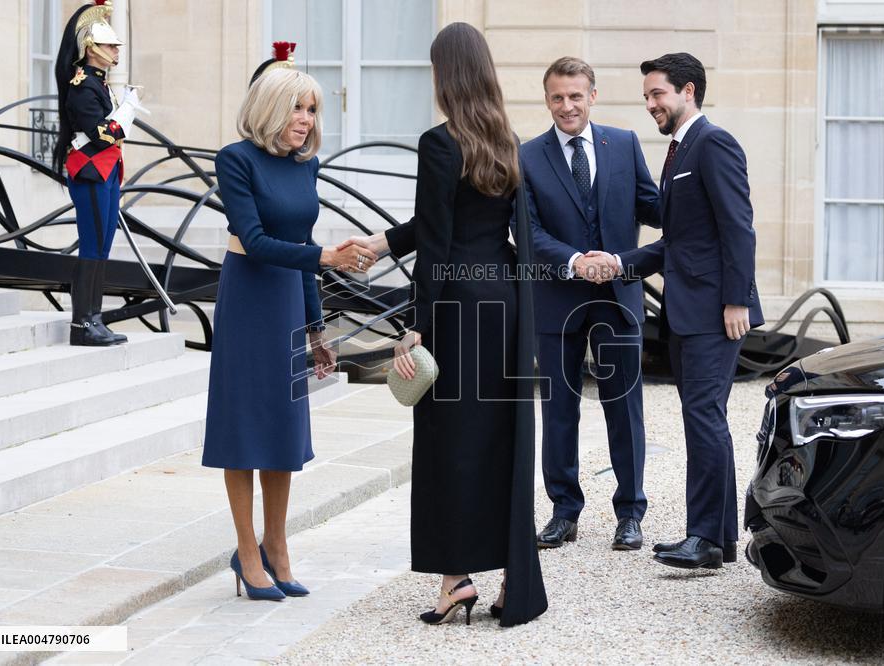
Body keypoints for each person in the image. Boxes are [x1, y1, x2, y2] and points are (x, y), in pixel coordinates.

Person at [350, 22, 548, 627]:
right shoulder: (506, 141)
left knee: (448, 442)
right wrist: (384, 242)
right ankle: (517, 581)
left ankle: (454, 579)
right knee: (504, 437)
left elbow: (437, 245)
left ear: (446, 75)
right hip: (506, 304)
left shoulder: (440, 143)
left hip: (458, 306)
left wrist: (414, 325)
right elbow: (470, 224)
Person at [202, 65, 376, 601]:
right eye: (298, 108)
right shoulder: (236, 160)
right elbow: (252, 240)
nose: (306, 120)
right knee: (243, 426)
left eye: (312, 110)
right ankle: (246, 552)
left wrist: (317, 329)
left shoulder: (307, 165)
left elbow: (300, 246)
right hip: (249, 300)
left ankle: (277, 546)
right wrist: (327, 255)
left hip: (287, 298)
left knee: (282, 427)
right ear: (273, 108)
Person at [513, 57, 659, 551]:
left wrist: (620, 261)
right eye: (557, 97)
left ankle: (630, 513)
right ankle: (563, 511)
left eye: (576, 96)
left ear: (592, 96)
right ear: (547, 99)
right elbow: (526, 232)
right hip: (557, 297)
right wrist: (577, 261)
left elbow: (654, 207)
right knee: (558, 409)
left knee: (625, 408)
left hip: (618, 297)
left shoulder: (624, 144)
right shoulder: (528, 157)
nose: (567, 105)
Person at [625, 52, 764, 569]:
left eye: (657, 94)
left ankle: (705, 538)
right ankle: (715, 537)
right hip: (688, 312)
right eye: (647, 97)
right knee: (703, 418)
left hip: (714, 313)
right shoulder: (679, 152)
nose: (650, 105)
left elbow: (738, 227)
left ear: (687, 91)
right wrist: (618, 263)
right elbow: (677, 242)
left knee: (704, 417)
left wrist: (737, 300)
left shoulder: (714, 143)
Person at [52, 0, 145, 346]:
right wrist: (127, 112)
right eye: (109, 45)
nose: (115, 49)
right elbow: (101, 133)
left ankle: (95, 316)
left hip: (105, 170)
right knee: (92, 244)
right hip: (90, 171)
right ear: (90, 49)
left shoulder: (99, 84)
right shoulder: (82, 85)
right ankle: (82, 324)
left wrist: (122, 110)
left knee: (103, 243)